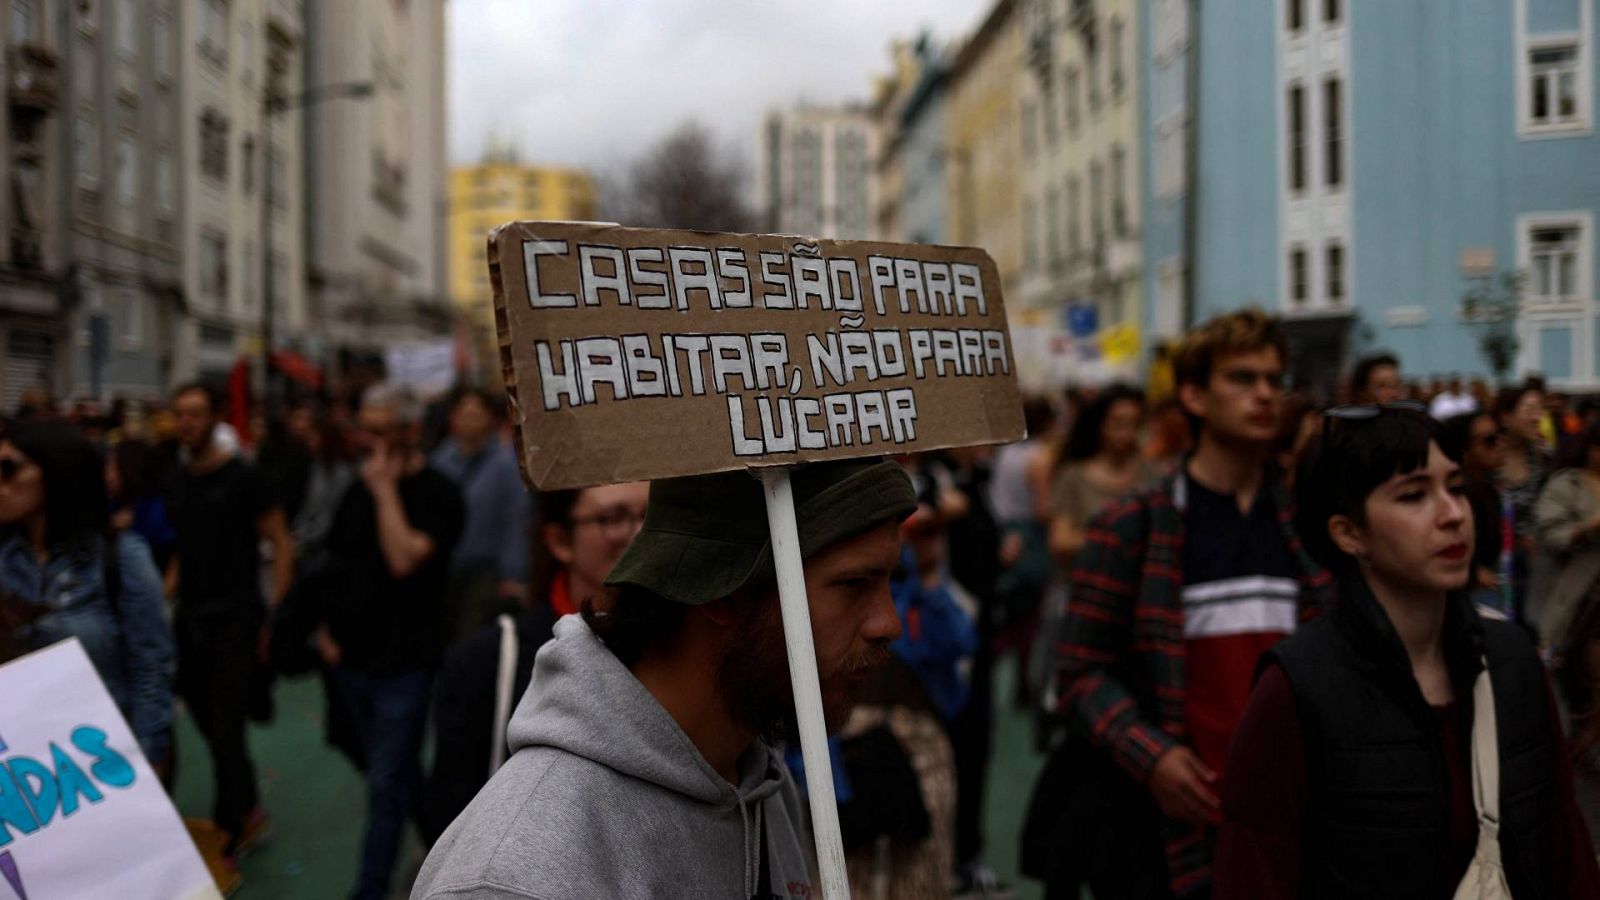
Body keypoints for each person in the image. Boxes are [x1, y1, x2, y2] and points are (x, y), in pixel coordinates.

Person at [412, 459, 916, 900]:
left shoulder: (759, 784)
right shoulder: (517, 875)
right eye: (853, 585)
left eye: (889, 582)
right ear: (723, 596)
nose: (887, 623)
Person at [1214, 405, 1600, 898]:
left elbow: (1564, 849)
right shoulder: (1296, 688)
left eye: (1455, 487)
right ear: (1349, 533)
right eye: (1414, 495)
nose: (1452, 514)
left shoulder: (1511, 659)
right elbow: (1254, 874)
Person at [1053, 310, 1334, 898]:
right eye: (1242, 378)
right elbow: (1080, 672)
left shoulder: (1308, 523)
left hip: (1294, 817)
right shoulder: (1134, 524)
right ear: (1194, 395)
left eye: (1273, 380)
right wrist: (1151, 756)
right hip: (1171, 827)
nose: (1264, 395)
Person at [422, 480, 647, 844]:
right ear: (559, 541)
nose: (639, 535)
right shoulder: (490, 662)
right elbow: (450, 818)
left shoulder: (686, 651)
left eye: (651, 518)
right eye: (613, 518)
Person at [319, 382, 465, 900]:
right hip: (351, 659)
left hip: (406, 664)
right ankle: (454, 850)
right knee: (394, 773)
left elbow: (404, 558)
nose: (369, 443)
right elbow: (334, 562)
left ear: (409, 432)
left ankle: (371, 891)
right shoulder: (355, 490)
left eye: (381, 432)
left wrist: (385, 491)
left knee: (385, 788)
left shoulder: (439, 494)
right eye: (365, 429)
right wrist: (323, 634)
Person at [167, 383, 293, 864]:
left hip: (237, 619)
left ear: (213, 417)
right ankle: (248, 805)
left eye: (196, 414)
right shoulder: (177, 480)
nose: (187, 423)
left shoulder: (245, 477)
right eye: (180, 414)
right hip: (191, 620)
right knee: (202, 718)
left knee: (226, 727)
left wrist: (274, 611)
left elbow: (280, 541)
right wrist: (166, 592)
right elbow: (182, 547)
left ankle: (232, 827)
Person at [0, 420, 174, 765]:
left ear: (55, 471)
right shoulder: (4, 561)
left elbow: (151, 665)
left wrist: (147, 757)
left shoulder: (119, 557)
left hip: (101, 762)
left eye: (9, 469)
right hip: (22, 763)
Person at [430, 388, 532, 645]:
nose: (468, 421)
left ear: (489, 419)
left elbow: (516, 519)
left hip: (484, 571)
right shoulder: (439, 461)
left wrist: (513, 572)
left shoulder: (505, 465)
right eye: (462, 414)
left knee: (469, 636)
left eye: (475, 414)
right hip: (444, 567)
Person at [1047, 384, 1153, 567]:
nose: (1127, 434)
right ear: (1100, 424)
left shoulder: (1151, 474)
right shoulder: (1074, 476)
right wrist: (1118, 536)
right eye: (1119, 424)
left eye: (1134, 424)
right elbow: (1060, 541)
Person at [1533, 422, 1600, 652]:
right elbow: (1550, 534)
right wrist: (1588, 529)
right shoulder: (1567, 484)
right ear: (1591, 449)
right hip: (1577, 596)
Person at [1442, 412, 1512, 620]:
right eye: (1489, 440)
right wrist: (1474, 571)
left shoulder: (1490, 488)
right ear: (1464, 451)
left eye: (1500, 435)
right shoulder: (1456, 495)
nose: (1500, 444)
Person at [1497, 383, 1551, 621]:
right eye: (1529, 409)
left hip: (1534, 572)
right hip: (1495, 570)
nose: (1537, 417)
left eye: (1540, 410)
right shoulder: (1488, 458)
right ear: (1507, 417)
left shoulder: (1542, 461)